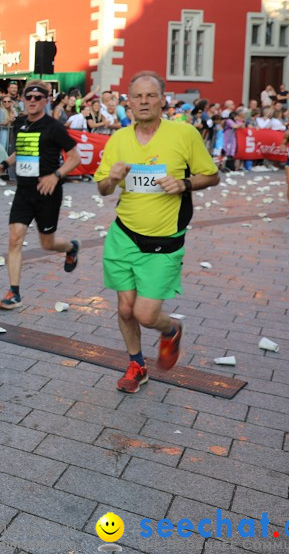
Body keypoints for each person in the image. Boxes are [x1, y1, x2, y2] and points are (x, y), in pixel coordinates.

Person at [94, 71, 219, 394]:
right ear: (129, 102)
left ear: (162, 99)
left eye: (151, 96)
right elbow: (103, 189)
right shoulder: (119, 140)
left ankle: (171, 328)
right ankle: (137, 364)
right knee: (124, 309)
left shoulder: (184, 134)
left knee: (146, 314)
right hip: (124, 235)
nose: (144, 102)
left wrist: (184, 184)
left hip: (164, 240)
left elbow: (212, 175)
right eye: (138, 96)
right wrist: (112, 177)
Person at [0, 81, 82, 309]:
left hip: (47, 193)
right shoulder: (20, 123)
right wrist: (4, 163)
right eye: (28, 97)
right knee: (14, 239)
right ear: (23, 99)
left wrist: (56, 176)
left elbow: (74, 158)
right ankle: (14, 293)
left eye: (37, 97)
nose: (32, 101)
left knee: (48, 244)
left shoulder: (54, 127)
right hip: (24, 192)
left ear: (46, 100)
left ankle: (71, 247)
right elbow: (21, 150)